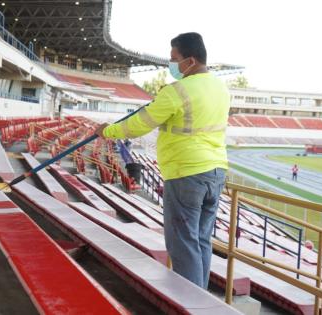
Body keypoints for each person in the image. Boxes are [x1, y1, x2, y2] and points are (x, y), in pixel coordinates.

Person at [95, 32, 229, 289]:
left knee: (183, 243)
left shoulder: (178, 90)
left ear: (190, 60)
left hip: (186, 173)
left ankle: (188, 304)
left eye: (174, 59)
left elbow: (139, 124)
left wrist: (107, 131)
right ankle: (199, 299)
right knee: (201, 240)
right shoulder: (220, 87)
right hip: (215, 171)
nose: (172, 65)